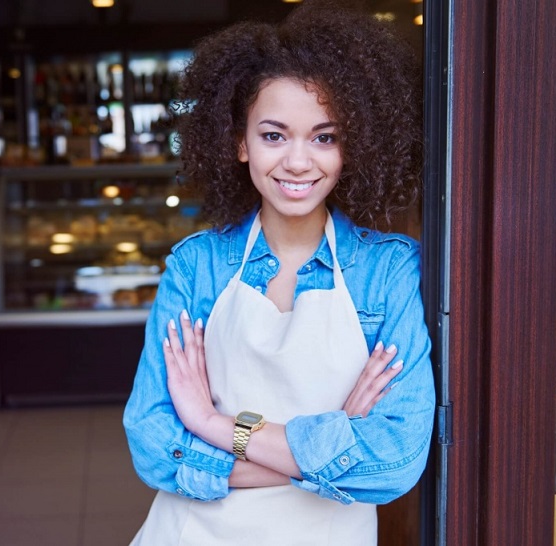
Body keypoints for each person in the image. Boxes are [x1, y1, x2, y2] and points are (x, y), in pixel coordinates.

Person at [123, 2, 436, 544]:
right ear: (240, 142)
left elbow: (394, 462)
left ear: (351, 147)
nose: (297, 161)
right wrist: (331, 443)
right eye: (274, 135)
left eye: (324, 137)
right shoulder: (197, 266)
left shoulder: (387, 271)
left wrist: (214, 425)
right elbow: (153, 449)